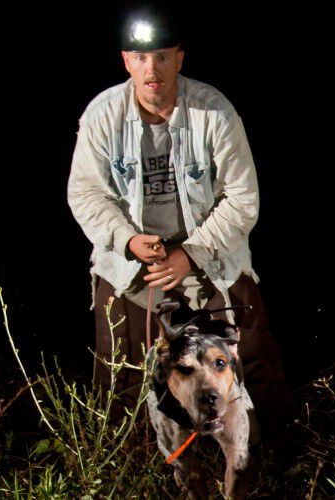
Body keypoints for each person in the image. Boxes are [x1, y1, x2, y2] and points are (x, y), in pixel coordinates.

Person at [67, 9, 295, 448]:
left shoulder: (215, 111)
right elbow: (85, 195)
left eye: (162, 57)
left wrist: (189, 253)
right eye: (140, 58)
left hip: (209, 252)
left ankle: (281, 457)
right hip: (133, 261)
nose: (152, 69)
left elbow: (244, 198)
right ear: (126, 62)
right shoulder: (101, 115)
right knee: (123, 369)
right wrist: (128, 240)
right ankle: (130, 467)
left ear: (179, 59)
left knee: (250, 352)